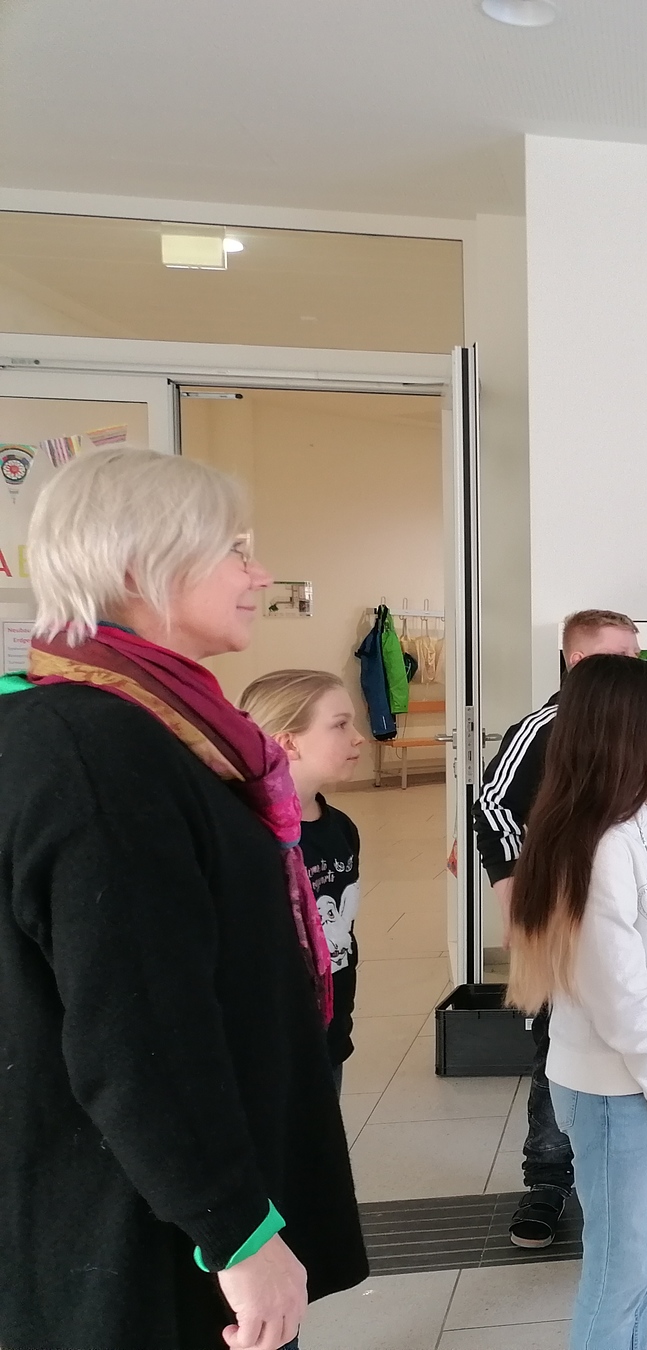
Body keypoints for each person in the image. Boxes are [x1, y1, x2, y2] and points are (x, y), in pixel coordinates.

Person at [0, 449, 365, 1350]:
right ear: (139, 568)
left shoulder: (141, 725)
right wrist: (236, 1231)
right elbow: (138, 1026)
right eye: (234, 550)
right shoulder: (99, 751)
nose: (259, 575)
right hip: (141, 1235)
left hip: (145, 1202)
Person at [474, 609, 647, 1250]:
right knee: (569, 1045)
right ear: (581, 664)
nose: (637, 669)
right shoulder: (544, 731)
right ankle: (548, 1178)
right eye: (622, 658)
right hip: (579, 935)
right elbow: (493, 811)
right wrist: (516, 902)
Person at [506, 654, 647, 1350]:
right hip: (609, 1090)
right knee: (620, 1264)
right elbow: (623, 1000)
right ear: (624, 728)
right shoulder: (596, 843)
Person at [240, 669, 369, 1095]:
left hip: (330, 1032)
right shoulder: (249, 836)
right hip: (271, 1042)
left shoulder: (342, 828)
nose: (358, 738)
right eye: (340, 725)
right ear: (288, 742)